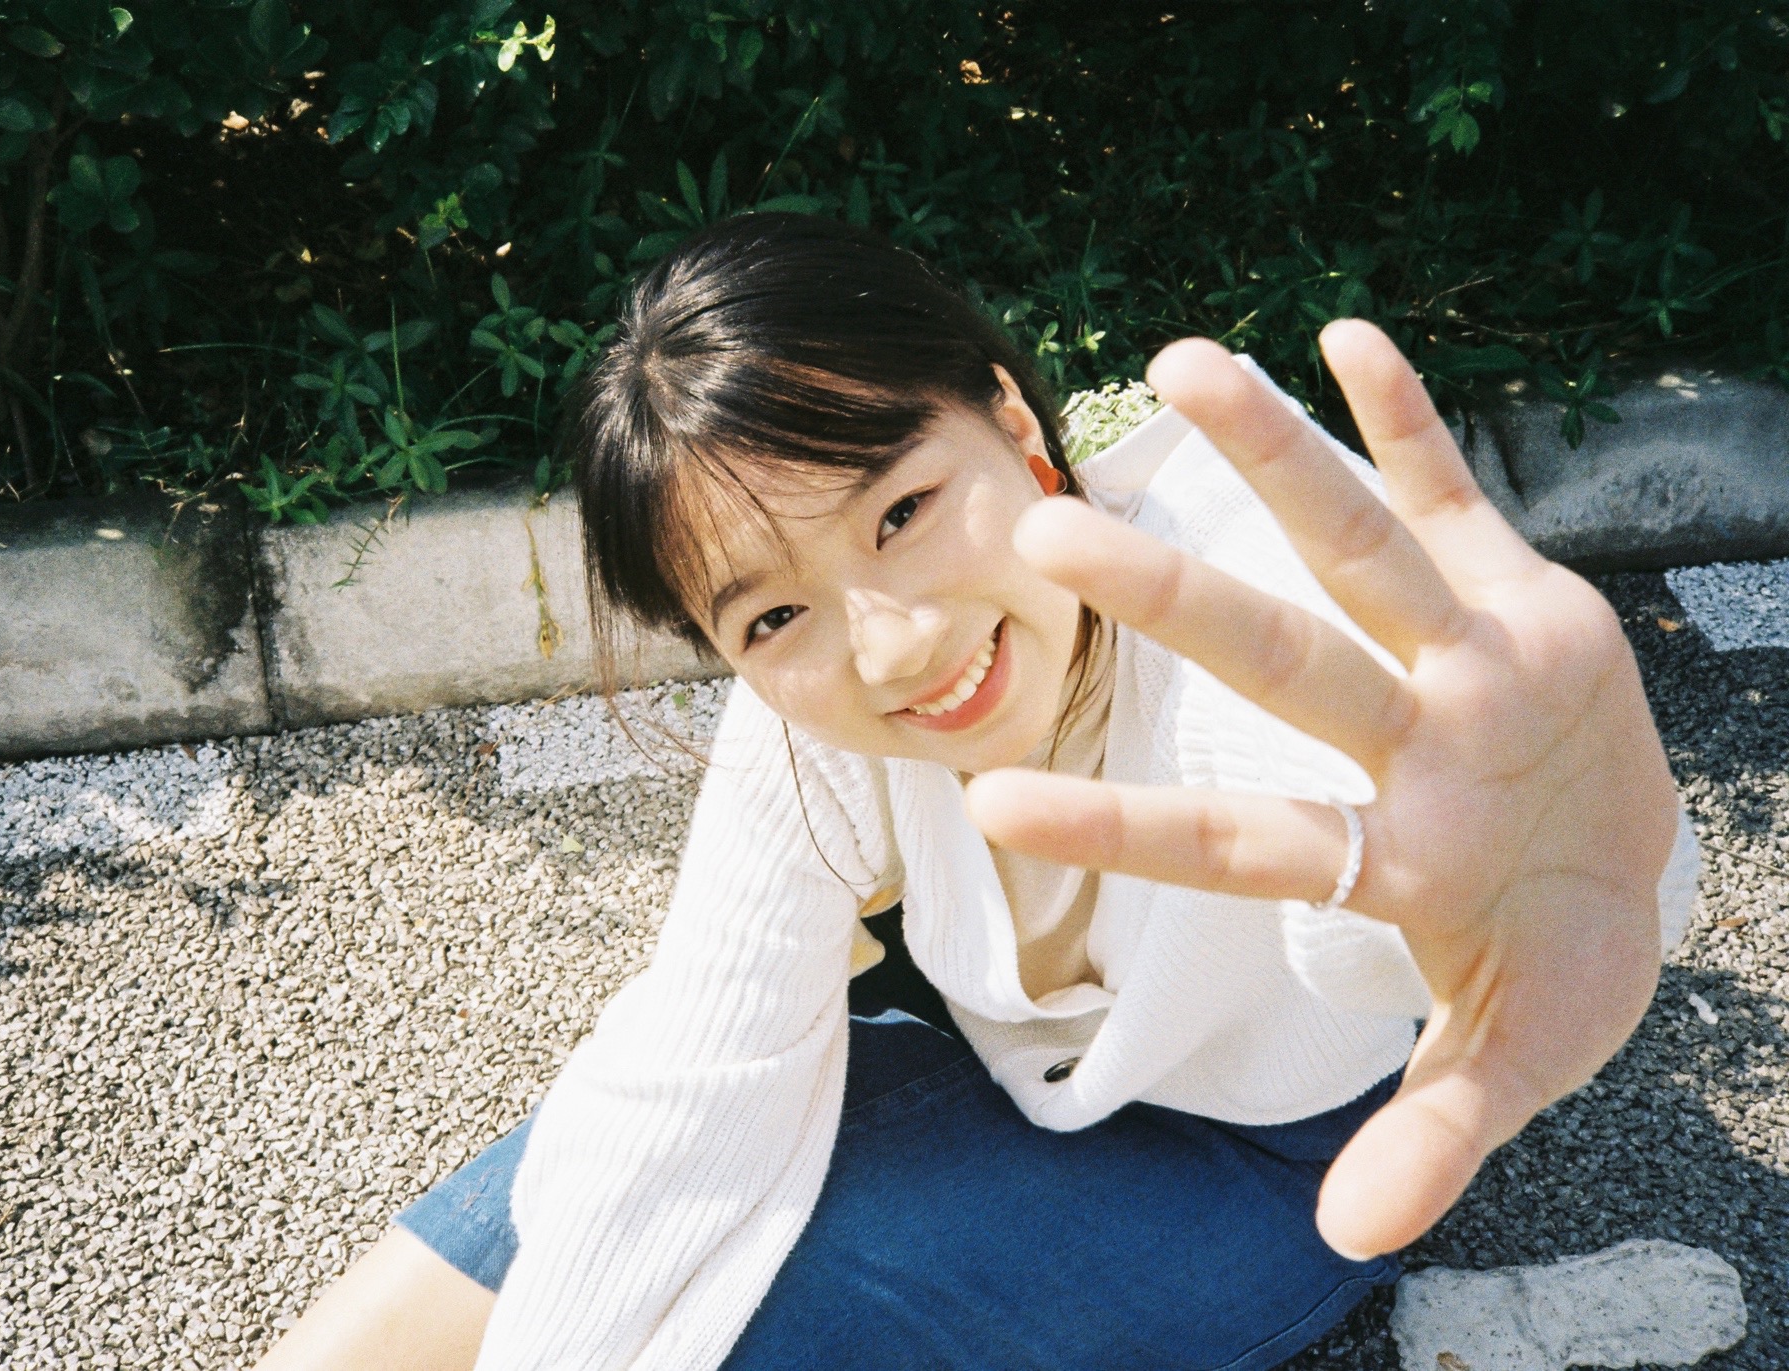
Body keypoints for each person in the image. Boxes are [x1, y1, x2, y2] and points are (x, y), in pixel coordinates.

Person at [255, 214, 1698, 1371]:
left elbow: (1387, 845)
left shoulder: (1246, 595)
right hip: (999, 1073)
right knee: (574, 1180)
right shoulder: (804, 707)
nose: (890, 645)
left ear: (1012, 421)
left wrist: (1560, 878)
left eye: (901, 510)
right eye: (771, 615)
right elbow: (687, 1079)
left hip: (1267, 1155)